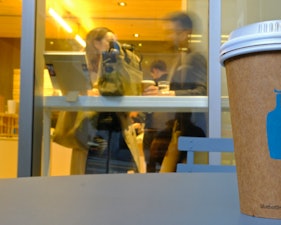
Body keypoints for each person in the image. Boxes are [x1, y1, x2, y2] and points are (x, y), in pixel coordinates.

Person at [72, 27, 142, 174]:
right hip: (91, 129)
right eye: (110, 41)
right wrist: (86, 93)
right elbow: (70, 93)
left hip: (117, 130)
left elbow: (128, 92)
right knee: (89, 174)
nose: (115, 45)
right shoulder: (80, 65)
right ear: (96, 43)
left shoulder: (118, 65)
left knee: (117, 177)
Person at [143, 12, 207, 170]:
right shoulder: (180, 57)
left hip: (190, 130)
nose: (169, 36)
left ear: (186, 33)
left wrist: (171, 94)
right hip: (179, 129)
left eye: (173, 32)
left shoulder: (194, 57)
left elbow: (201, 92)